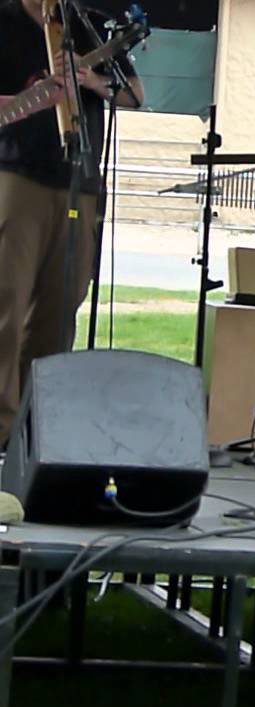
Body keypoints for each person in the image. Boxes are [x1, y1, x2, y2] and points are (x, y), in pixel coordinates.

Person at [0, 0, 144, 452]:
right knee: (7, 301)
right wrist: (29, 103)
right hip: (16, 176)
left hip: (79, 182)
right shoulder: (4, 21)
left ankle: (33, 428)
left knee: (62, 307)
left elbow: (134, 94)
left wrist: (91, 81)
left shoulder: (87, 23)